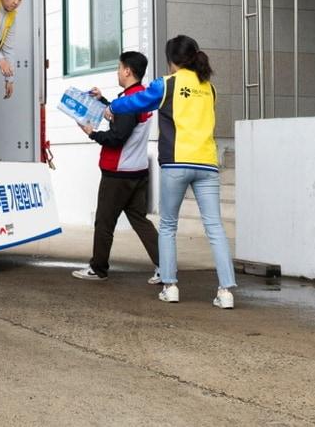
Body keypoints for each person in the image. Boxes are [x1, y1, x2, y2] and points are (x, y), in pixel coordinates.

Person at [105, 34, 236, 309]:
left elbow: (137, 102)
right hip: (206, 163)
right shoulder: (209, 88)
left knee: (167, 226)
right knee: (215, 227)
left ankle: (170, 286)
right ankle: (226, 292)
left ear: (171, 60)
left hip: (177, 162)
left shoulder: (167, 84)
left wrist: (112, 106)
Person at [71, 51, 161, 284]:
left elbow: (118, 135)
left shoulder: (130, 102)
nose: (118, 72)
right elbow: (121, 115)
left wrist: (93, 133)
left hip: (118, 173)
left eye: (119, 67)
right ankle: (165, 266)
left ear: (128, 71)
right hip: (138, 171)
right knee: (140, 220)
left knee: (104, 222)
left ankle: (98, 268)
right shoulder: (142, 97)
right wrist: (102, 101)